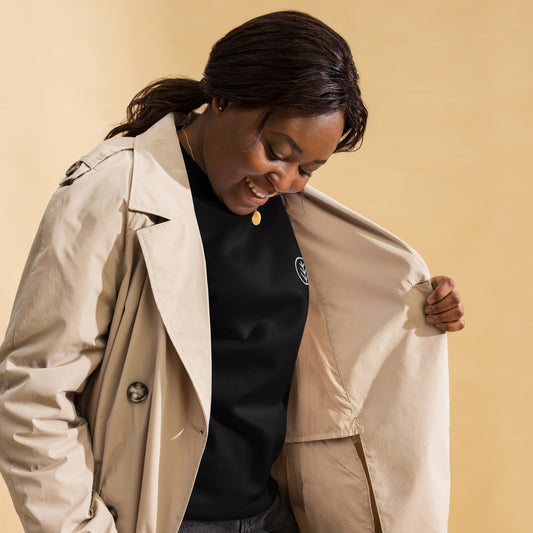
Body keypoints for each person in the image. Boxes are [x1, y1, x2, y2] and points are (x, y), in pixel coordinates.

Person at [0, 10, 464, 533]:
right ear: (223, 99)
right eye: (277, 151)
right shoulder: (114, 193)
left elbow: (329, 340)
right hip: (162, 519)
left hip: (272, 515)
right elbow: (32, 394)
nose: (285, 179)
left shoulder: (287, 211)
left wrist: (413, 303)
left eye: (308, 169)